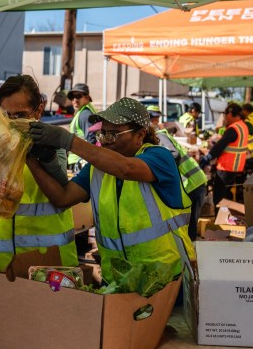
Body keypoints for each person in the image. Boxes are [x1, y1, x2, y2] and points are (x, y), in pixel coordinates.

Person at [26, 98, 195, 284]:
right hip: (118, 283)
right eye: (102, 133)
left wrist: (67, 140)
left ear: (140, 135)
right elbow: (62, 197)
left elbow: (126, 168)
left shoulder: (159, 157)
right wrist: (32, 159)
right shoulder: (96, 169)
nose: (105, 141)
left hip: (167, 280)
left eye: (112, 134)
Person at [0, 75, 78, 273]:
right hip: (6, 263)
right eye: (5, 115)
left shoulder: (52, 141)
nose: (11, 122)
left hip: (50, 264)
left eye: (19, 115)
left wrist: (47, 159)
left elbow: (64, 190)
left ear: (37, 111)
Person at [148, 106, 207, 241]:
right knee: (183, 229)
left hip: (193, 184)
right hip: (190, 185)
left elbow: (174, 155)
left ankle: (191, 260)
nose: (155, 121)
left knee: (188, 230)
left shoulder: (159, 136)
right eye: (153, 118)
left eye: (156, 118)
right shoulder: (156, 137)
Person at [199, 103, 249, 206]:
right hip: (236, 166)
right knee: (227, 194)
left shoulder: (233, 129)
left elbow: (219, 146)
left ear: (231, 114)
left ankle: (221, 219)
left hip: (226, 167)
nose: (225, 117)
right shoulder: (243, 126)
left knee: (219, 196)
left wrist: (207, 158)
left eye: (225, 114)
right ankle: (228, 217)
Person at [66, 83, 97, 173]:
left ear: (87, 97)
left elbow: (92, 139)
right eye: (72, 97)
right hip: (79, 161)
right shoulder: (83, 112)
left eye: (78, 96)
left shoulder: (85, 114)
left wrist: (83, 161)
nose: (75, 100)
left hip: (79, 162)